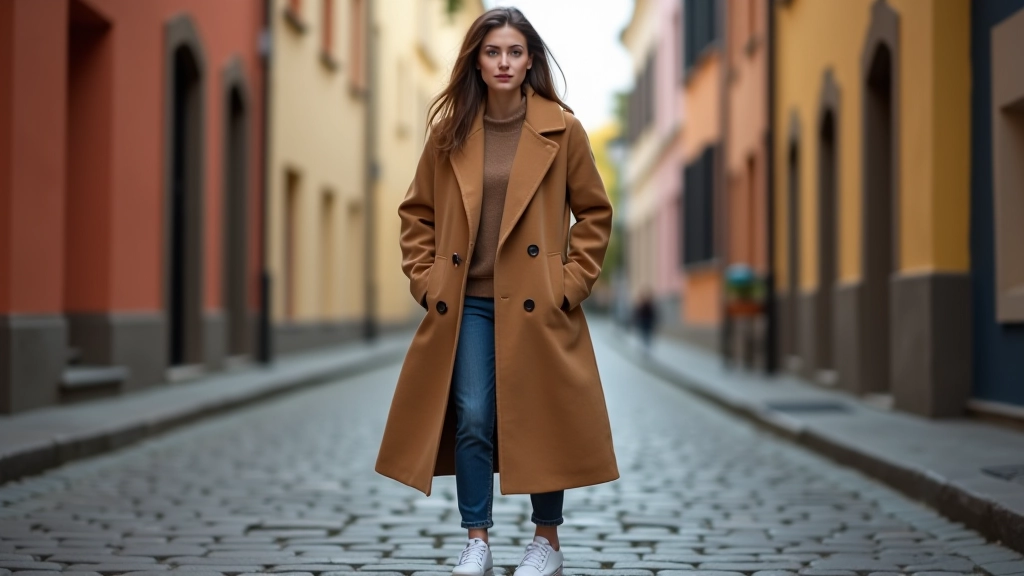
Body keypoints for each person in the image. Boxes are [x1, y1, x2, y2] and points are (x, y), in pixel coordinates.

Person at [374, 7, 619, 576]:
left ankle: (546, 543)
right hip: (469, 303)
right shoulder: (451, 131)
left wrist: (569, 283)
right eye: (492, 52)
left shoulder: (563, 129)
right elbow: (417, 214)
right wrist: (426, 278)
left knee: (542, 416)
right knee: (475, 415)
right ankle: (477, 540)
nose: (504, 62)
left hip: (538, 301)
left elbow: (594, 213)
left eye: (514, 51)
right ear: (476, 61)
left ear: (530, 58)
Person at [634, 289, 657, 355]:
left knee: (647, 335)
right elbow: (638, 314)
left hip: (647, 322)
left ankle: (646, 347)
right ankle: (645, 346)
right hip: (644, 322)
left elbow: (653, 314)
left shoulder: (648, 305)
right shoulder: (643, 305)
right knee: (645, 335)